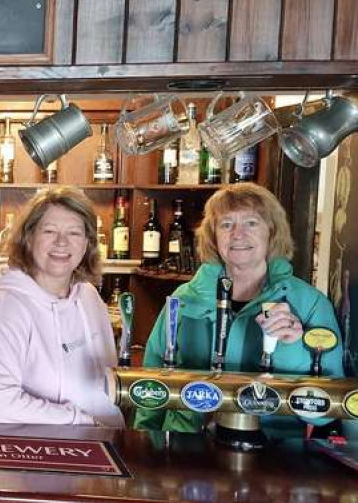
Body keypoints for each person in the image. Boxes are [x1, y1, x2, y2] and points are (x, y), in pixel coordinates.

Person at [136, 182, 345, 432]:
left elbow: (327, 414)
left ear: (272, 231)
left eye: (251, 223)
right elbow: (151, 385)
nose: (237, 234)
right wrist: (145, 440)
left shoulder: (309, 304)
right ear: (213, 236)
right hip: (186, 450)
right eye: (226, 224)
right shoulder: (184, 299)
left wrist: (296, 346)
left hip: (272, 456)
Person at [0, 187, 124, 426]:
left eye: (74, 233)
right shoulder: (9, 305)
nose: (61, 243)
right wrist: (79, 419)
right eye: (50, 231)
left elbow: (110, 381)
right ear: (29, 237)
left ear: (87, 243)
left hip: (102, 446)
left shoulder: (89, 296)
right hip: (39, 452)